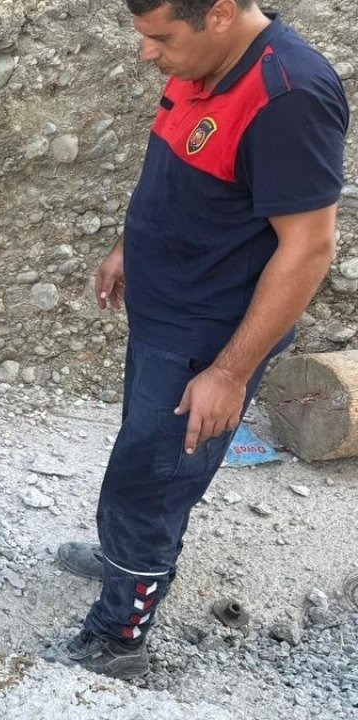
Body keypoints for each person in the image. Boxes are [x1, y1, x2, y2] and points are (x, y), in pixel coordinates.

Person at [43, 0, 347, 678]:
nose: (147, 54)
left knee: (153, 479)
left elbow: (309, 247)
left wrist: (230, 374)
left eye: (159, 37)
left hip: (208, 333)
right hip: (164, 309)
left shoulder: (288, 96)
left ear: (217, 13)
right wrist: (130, 246)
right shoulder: (203, 62)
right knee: (140, 455)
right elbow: (173, 168)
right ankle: (122, 558)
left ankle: (120, 633)